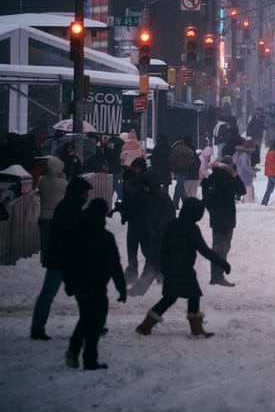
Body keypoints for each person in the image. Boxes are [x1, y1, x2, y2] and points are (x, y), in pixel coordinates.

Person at [135, 198, 231, 338]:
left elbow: (163, 247)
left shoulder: (172, 225)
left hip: (170, 268)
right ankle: (196, 329)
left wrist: (163, 267)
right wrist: (223, 263)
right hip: (185, 270)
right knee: (193, 296)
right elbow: (204, 250)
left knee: (169, 298)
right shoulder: (192, 228)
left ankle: (146, 325)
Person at [62, 198, 126, 370]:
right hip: (97, 285)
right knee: (96, 320)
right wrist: (121, 288)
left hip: (80, 284)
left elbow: (67, 260)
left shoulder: (76, 234)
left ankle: (75, 351)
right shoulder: (105, 237)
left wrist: (69, 283)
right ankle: (88, 359)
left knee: (86, 318)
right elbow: (115, 265)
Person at [29, 157, 73, 340]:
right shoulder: (63, 184)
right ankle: (93, 322)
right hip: (63, 246)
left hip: (44, 216)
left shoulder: (42, 181)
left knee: (48, 291)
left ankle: (37, 327)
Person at [127, 170, 176, 296]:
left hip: (161, 235)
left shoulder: (159, 196)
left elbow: (168, 216)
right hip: (158, 235)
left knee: (152, 263)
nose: (143, 188)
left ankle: (140, 289)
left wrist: (159, 230)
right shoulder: (155, 195)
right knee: (153, 263)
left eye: (144, 186)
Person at [201, 155, 245, 287]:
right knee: (224, 246)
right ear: (230, 167)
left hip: (215, 217)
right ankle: (218, 275)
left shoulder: (211, 178)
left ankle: (215, 275)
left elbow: (206, 199)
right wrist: (235, 175)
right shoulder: (230, 179)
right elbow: (242, 190)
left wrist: (211, 210)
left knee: (217, 245)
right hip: (228, 216)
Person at [170, 137, 199, 209]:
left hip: (178, 170)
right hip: (186, 170)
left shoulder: (176, 150)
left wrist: (173, 167)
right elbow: (193, 160)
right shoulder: (189, 150)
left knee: (180, 187)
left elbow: (171, 159)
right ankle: (175, 203)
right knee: (178, 186)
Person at [233, 138, 256, 203]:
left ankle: (247, 201)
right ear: (249, 148)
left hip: (241, 173)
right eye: (252, 148)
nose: (253, 149)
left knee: (248, 188)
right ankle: (248, 202)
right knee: (248, 189)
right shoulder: (244, 155)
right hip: (244, 174)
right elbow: (245, 165)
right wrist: (252, 172)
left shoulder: (242, 154)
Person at [260, 141, 275, 206]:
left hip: (272, 172)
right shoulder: (273, 152)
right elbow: (271, 163)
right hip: (273, 173)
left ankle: (264, 202)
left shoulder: (273, 151)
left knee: (269, 189)